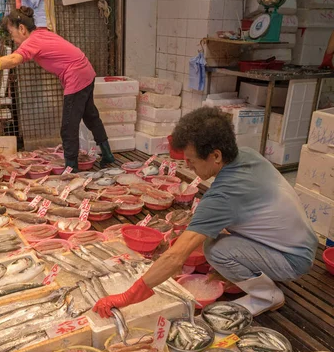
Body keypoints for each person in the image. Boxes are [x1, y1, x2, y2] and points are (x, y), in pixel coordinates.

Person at [93, 107, 318, 318]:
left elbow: (174, 257)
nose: (188, 166)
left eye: (191, 160)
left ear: (216, 156)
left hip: (292, 259)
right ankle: (260, 276)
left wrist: (126, 296)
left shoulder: (224, 195)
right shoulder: (247, 155)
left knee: (216, 250)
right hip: (302, 244)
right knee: (210, 236)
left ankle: (267, 296)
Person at [0, 7, 114, 173]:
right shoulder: (41, 33)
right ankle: (107, 155)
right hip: (86, 71)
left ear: (22, 28)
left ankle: (72, 169)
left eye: (11, 32)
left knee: (68, 127)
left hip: (77, 76)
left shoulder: (33, 41)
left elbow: (14, 59)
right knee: (90, 115)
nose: (13, 38)